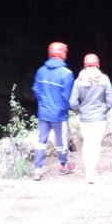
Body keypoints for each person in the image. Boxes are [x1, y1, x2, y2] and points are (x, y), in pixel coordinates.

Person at [69, 53, 112, 184]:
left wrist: (81, 110)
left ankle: (88, 171)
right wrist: (103, 110)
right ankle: (91, 173)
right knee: (95, 145)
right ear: (98, 64)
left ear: (84, 65)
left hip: (85, 118)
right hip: (100, 119)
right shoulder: (104, 79)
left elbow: (72, 102)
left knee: (87, 144)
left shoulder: (79, 81)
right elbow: (111, 99)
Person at [31, 41, 74, 180]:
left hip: (43, 113)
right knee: (61, 141)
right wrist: (64, 108)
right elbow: (67, 97)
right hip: (59, 115)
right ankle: (63, 166)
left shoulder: (41, 70)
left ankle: (37, 169)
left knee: (41, 141)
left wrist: (43, 103)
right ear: (61, 54)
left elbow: (36, 89)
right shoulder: (67, 73)